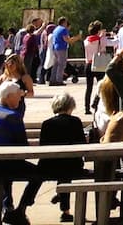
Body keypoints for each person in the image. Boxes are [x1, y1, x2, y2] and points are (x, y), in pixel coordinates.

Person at [0, 80, 41, 225]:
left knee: (7, 166)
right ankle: (21, 210)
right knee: (38, 174)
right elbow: (23, 148)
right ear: (9, 96)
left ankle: (8, 207)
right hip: (1, 164)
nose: (20, 98)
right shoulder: (12, 116)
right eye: (19, 95)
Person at [39, 91, 87, 223]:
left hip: (50, 166)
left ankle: (62, 201)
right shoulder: (76, 122)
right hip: (73, 165)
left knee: (61, 170)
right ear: (70, 106)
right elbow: (82, 145)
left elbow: (43, 146)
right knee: (66, 172)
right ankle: (65, 211)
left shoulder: (46, 123)